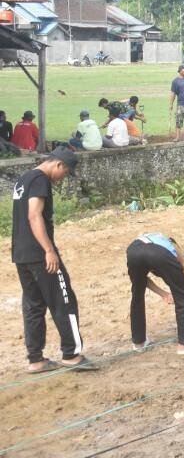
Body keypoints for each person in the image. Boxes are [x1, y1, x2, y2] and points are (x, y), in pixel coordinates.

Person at [11, 147, 98, 372]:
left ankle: (36, 359)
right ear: (58, 165)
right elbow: (34, 215)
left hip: (21, 254)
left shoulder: (24, 178)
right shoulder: (40, 180)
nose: (63, 178)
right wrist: (49, 250)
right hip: (40, 254)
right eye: (66, 173)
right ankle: (72, 354)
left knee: (33, 306)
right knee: (64, 300)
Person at [126, 233, 184, 354]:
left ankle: (139, 342)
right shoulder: (179, 254)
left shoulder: (161, 240)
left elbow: (143, 280)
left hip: (133, 250)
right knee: (181, 294)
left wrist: (164, 294)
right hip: (158, 253)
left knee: (137, 293)